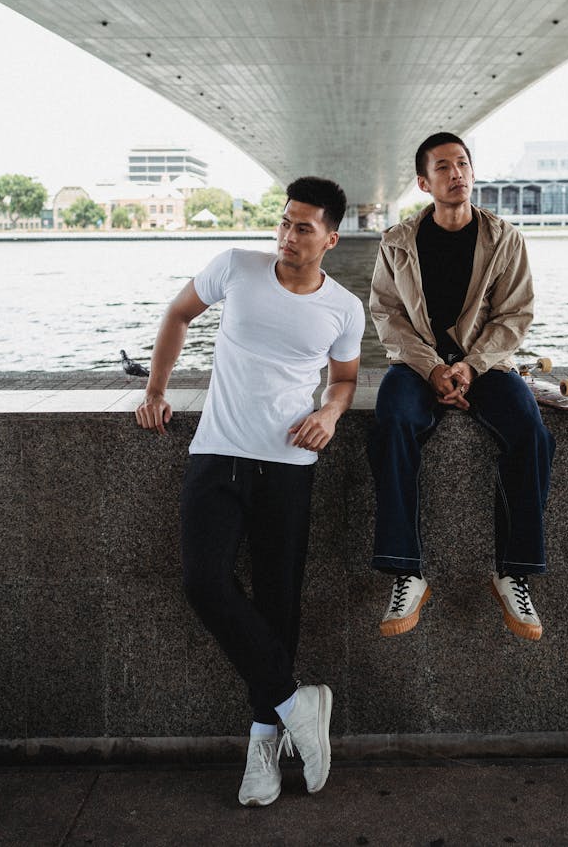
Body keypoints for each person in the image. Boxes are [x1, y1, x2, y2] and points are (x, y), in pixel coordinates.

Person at [135, 177, 364, 807]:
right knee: (203, 582)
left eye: (304, 227)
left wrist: (331, 414)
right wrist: (156, 390)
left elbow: (344, 379)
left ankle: (264, 741)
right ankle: (297, 701)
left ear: (331, 238)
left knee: (278, 602)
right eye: (285, 222)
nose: (289, 236)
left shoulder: (343, 307)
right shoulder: (235, 267)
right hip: (216, 453)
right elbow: (178, 314)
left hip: (288, 464)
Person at [368, 133, 555, 642]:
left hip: (488, 364)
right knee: (394, 422)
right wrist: (432, 368)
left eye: (464, 163)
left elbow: (515, 316)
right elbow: (387, 314)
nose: (458, 173)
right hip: (417, 364)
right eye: (444, 166)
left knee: (531, 432)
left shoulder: (505, 238)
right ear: (424, 182)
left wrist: (470, 366)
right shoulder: (397, 242)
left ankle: (513, 572)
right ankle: (407, 571)